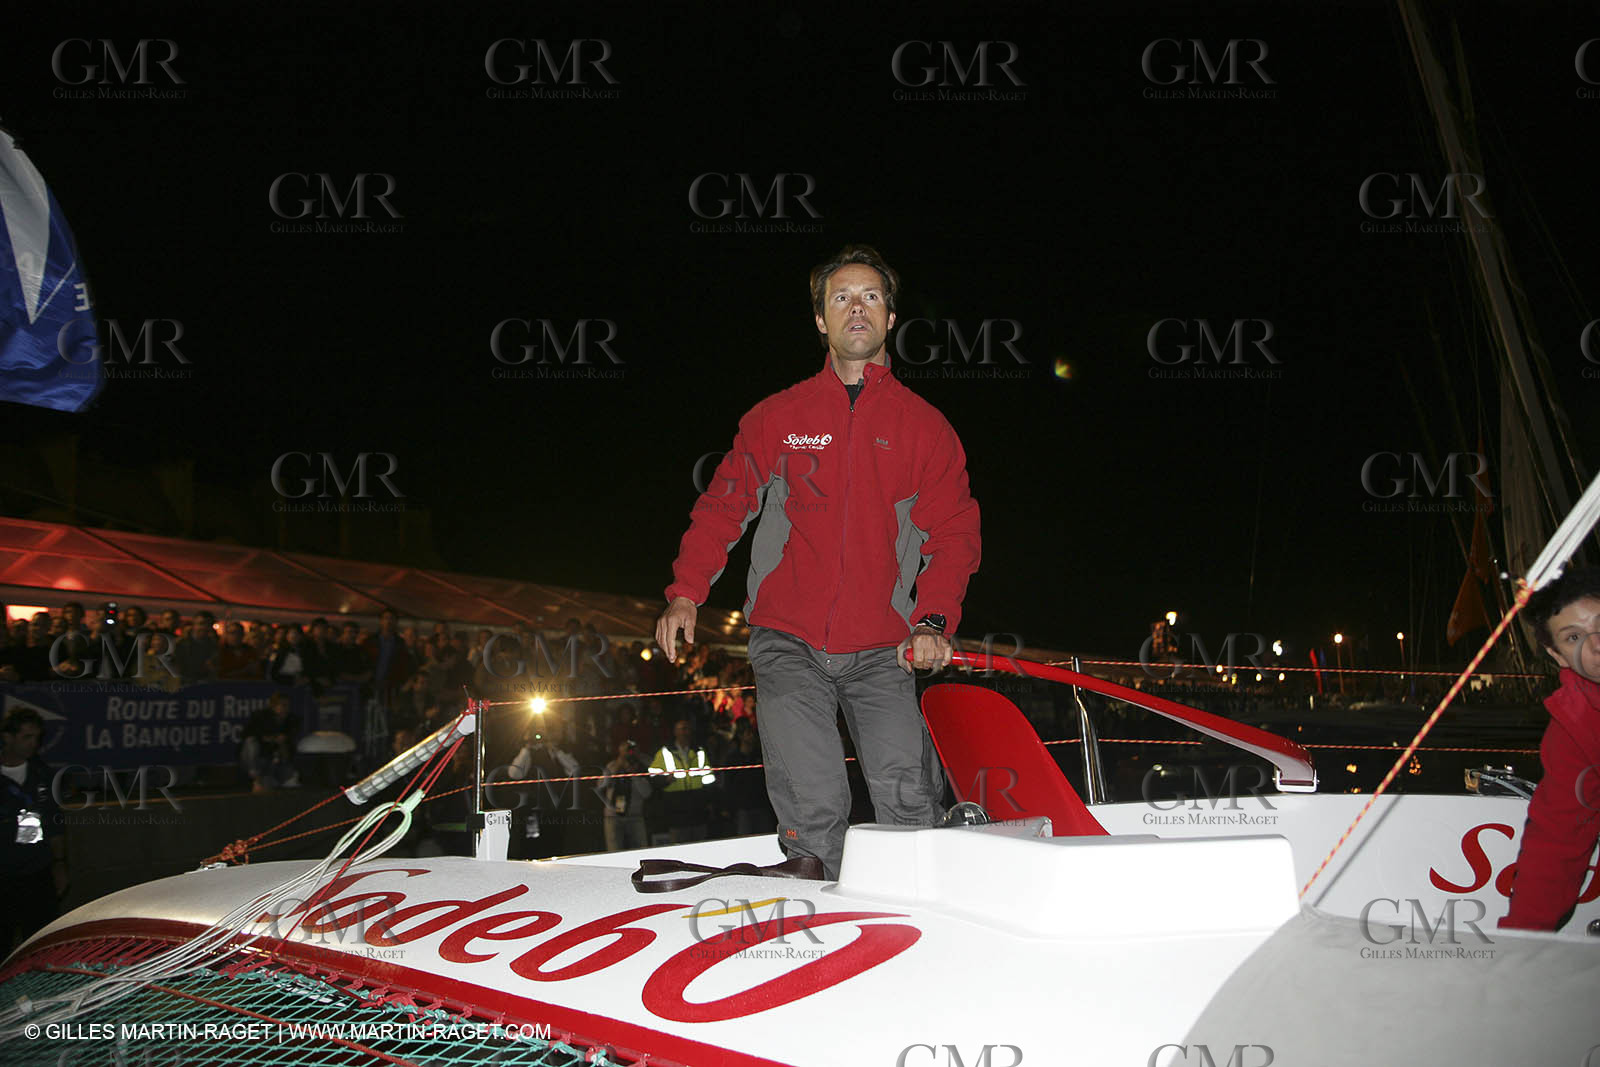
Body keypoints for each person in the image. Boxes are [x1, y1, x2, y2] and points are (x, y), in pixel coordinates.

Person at [655, 244, 981, 879]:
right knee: (813, 813)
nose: (857, 308)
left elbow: (955, 534)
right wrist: (686, 591)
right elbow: (724, 506)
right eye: (841, 298)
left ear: (891, 318)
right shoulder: (777, 417)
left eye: (871, 297)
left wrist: (933, 620)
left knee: (909, 804)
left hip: (886, 649)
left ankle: (920, 922)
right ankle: (816, 911)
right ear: (820, 321)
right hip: (788, 640)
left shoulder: (926, 429)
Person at [1501, 567, 1600, 931]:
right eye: (1574, 637)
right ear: (1557, 655)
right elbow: (1558, 840)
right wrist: (1522, 941)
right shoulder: (1575, 730)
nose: (1596, 645)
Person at [1, 708, 66, 952]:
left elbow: (54, 823)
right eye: (26, 737)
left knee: (40, 942)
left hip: (36, 871)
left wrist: (59, 863)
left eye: (37, 738)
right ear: (8, 737)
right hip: (3, 874)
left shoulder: (42, 774)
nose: (33, 744)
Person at [647, 718, 716, 843]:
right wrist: (666, 780)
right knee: (679, 845)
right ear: (675, 732)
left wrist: (708, 800)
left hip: (698, 807)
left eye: (687, 728)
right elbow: (653, 777)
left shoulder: (699, 751)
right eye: (682, 729)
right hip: (676, 807)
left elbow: (709, 777)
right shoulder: (665, 752)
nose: (685, 732)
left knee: (701, 845)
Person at [240, 693, 301, 792]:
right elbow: (246, 734)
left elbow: (290, 746)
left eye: (287, 705)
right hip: (260, 758)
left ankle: (275, 779)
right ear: (273, 706)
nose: (285, 708)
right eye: (282, 705)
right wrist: (269, 738)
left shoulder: (292, 720)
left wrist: (282, 740)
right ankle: (256, 778)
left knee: (277, 784)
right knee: (250, 742)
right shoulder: (260, 717)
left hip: (277, 761)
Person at [600, 740, 652, 851]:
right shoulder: (612, 765)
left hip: (635, 815)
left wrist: (634, 775)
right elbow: (601, 784)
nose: (629, 754)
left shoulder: (642, 766)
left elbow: (647, 793)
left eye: (632, 751)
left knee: (640, 849)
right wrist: (618, 766)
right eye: (626, 751)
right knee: (614, 851)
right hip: (613, 816)